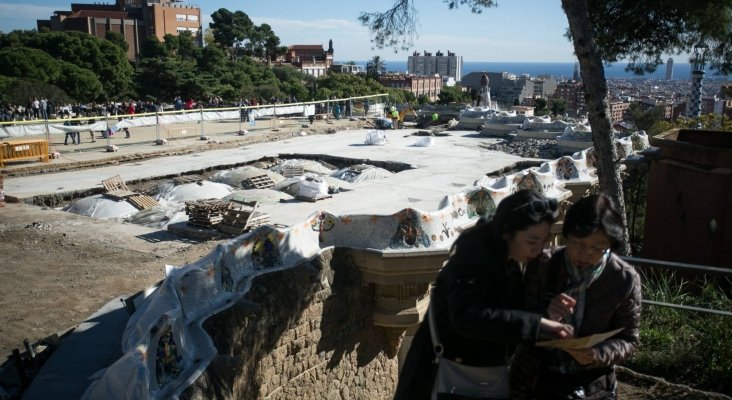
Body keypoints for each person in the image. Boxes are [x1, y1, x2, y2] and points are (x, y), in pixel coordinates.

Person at [394, 190, 574, 400]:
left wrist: (545, 314)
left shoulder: (508, 257)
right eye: (532, 242)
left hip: (480, 377)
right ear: (509, 231)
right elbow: (467, 318)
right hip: (448, 376)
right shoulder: (474, 258)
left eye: (543, 242)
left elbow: (505, 315)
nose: (538, 250)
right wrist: (537, 325)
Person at [513, 194, 641, 400]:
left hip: (593, 384)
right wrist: (545, 316)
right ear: (566, 235)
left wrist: (597, 353)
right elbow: (516, 321)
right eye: (578, 243)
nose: (586, 253)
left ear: (610, 244)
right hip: (539, 378)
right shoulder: (543, 265)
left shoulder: (623, 278)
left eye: (597, 247)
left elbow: (629, 340)